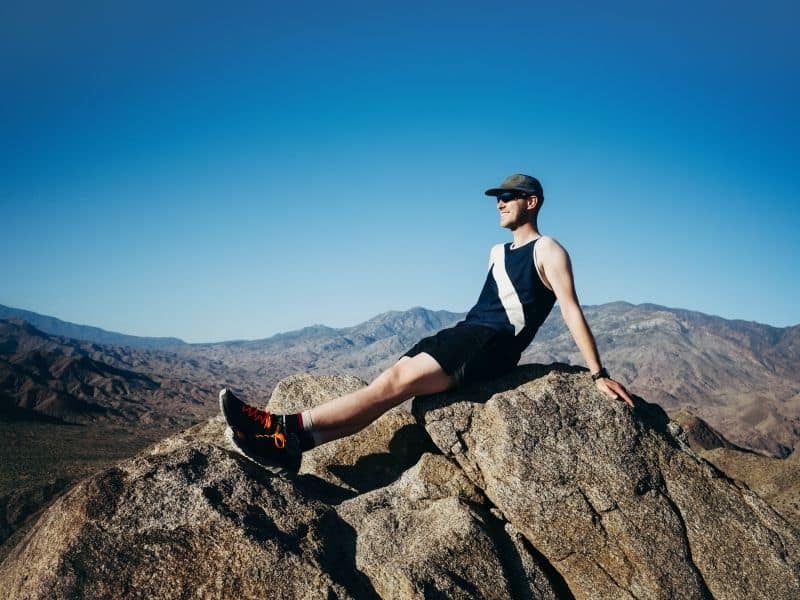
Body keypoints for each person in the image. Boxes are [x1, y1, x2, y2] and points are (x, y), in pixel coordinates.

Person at [220, 173, 633, 472]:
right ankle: (296, 446)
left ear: (533, 201)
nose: (500, 203)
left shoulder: (548, 250)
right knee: (388, 388)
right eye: (498, 197)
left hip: (489, 345)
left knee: (390, 387)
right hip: (464, 333)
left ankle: (281, 428)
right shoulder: (496, 251)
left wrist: (598, 373)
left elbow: (570, 308)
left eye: (510, 196)